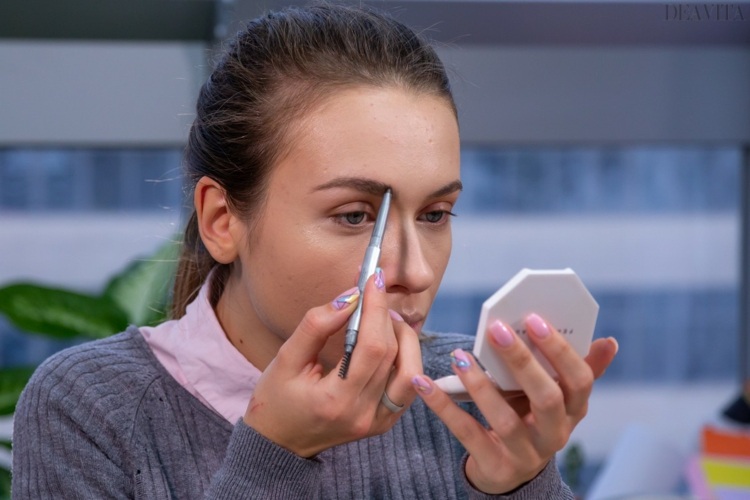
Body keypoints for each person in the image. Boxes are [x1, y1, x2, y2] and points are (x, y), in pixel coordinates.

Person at [12, 3, 618, 498]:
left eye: (435, 214)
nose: (415, 270)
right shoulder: (91, 409)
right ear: (222, 220)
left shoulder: (469, 396)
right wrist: (272, 457)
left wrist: (520, 486)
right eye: (355, 216)